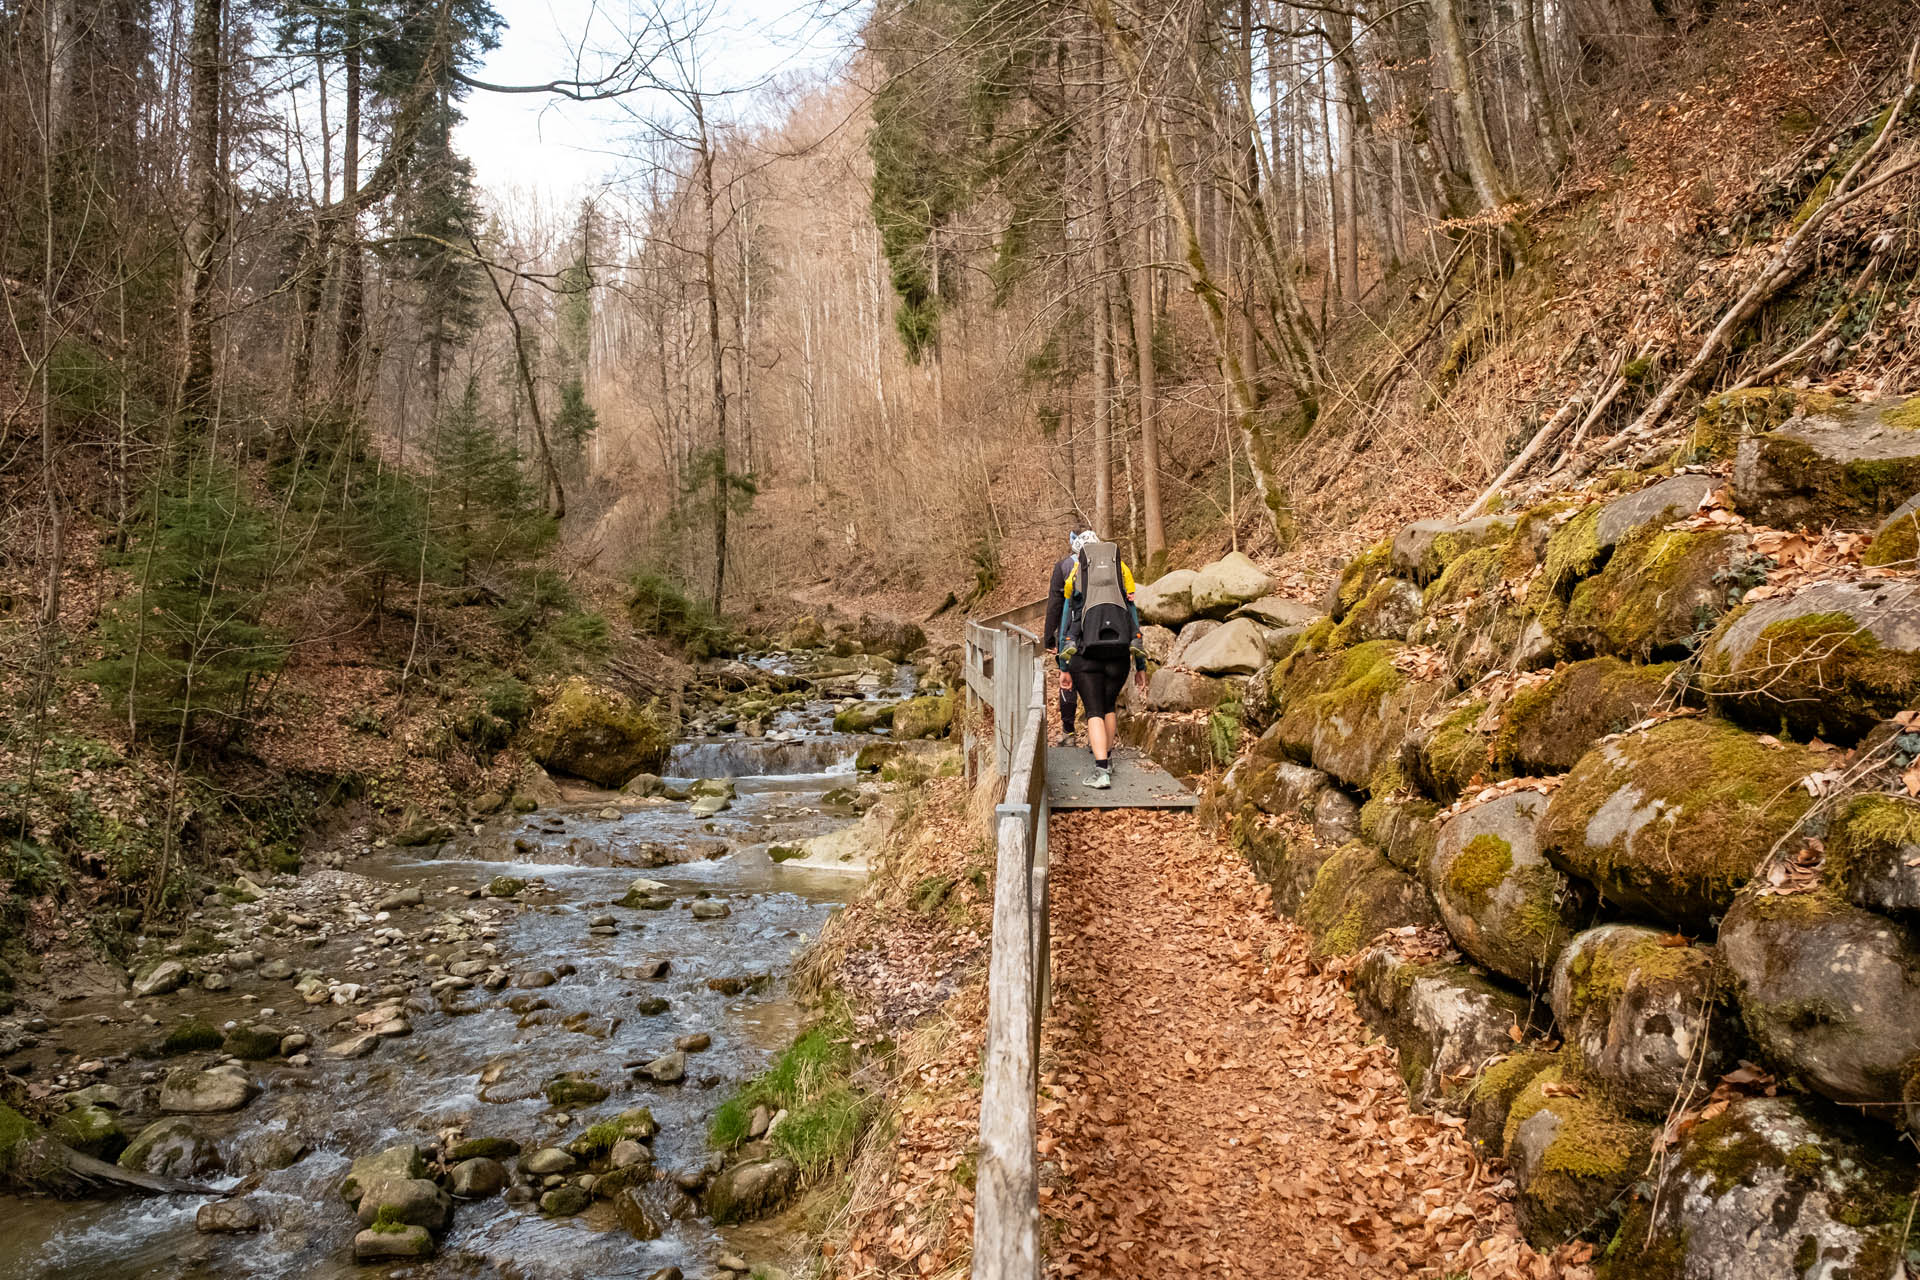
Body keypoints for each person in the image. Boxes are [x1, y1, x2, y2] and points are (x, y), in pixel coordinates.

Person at [1055, 529, 1147, 790]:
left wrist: (1063, 666)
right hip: (1118, 651)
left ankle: (1101, 770)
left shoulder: (1076, 574)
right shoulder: (1122, 570)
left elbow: (1066, 620)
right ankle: (1107, 758)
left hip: (1085, 653)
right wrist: (1140, 665)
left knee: (1094, 709)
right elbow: (1132, 613)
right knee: (1109, 705)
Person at [1042, 519, 1089, 748]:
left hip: (1070, 631)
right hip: (1098, 631)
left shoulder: (1063, 567)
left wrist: (1049, 638)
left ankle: (1068, 732)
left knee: (1067, 680)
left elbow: (1054, 604)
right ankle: (1096, 731)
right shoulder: (1105, 564)